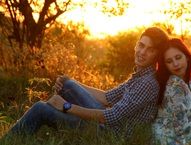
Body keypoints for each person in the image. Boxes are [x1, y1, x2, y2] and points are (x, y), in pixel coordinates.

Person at [8, 27, 169, 137]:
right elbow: (107, 97)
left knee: (39, 109)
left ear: (157, 55)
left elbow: (110, 116)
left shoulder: (148, 82)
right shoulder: (141, 76)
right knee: (67, 85)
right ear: (136, 45)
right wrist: (71, 81)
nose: (142, 52)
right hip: (110, 126)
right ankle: (53, 113)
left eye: (150, 49)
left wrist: (66, 106)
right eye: (141, 45)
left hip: (109, 135)